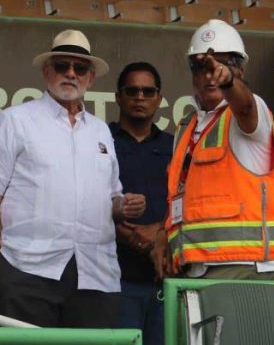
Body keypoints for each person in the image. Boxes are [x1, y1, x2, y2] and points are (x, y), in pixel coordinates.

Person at [0, 29, 146, 328]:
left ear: (90, 78)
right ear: (46, 72)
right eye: (61, 66)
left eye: (80, 68)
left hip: (95, 273)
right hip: (26, 269)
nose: (70, 73)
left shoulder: (100, 131)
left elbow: (110, 201)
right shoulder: (15, 120)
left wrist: (125, 206)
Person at [151, 19, 274, 280]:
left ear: (242, 69)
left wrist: (228, 82)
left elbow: (245, 104)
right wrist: (164, 234)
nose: (211, 74)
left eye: (224, 65)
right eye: (202, 67)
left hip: (249, 267)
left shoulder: (249, 113)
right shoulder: (186, 125)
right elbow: (185, 196)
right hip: (198, 267)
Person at [110, 62, 172, 345]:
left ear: (159, 98)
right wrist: (138, 239)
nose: (140, 97)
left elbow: (192, 203)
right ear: (118, 97)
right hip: (115, 280)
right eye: (132, 90)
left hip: (167, 280)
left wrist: (159, 232)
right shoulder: (100, 141)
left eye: (148, 91)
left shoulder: (175, 146)